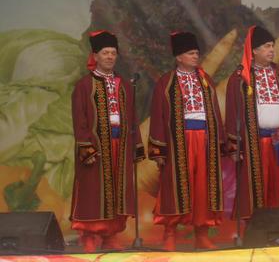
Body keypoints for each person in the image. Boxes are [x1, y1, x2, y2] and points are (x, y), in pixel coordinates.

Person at [148, 31, 226, 250]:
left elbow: (215, 112)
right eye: (191, 53)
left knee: (204, 186)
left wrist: (220, 141)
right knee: (174, 187)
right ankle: (170, 234)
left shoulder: (205, 80)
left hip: (204, 140)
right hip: (178, 142)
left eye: (197, 53)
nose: (195, 56)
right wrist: (158, 149)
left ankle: (201, 233)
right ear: (179, 57)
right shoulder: (166, 82)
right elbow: (158, 116)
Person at [70, 30, 145, 252]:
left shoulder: (125, 85)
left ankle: (110, 235)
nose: (110, 57)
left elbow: (133, 118)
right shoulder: (84, 85)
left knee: (118, 190)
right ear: (95, 56)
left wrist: (136, 146)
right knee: (93, 191)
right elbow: (79, 120)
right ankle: (89, 236)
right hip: (96, 146)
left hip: (120, 145)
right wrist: (86, 147)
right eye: (105, 53)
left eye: (113, 53)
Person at [225, 26, 279, 220]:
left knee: (278, 186)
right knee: (254, 186)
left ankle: (278, 227)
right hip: (253, 143)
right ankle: (253, 228)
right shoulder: (240, 79)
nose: (272, 50)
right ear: (254, 50)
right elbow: (232, 114)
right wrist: (234, 147)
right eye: (267, 46)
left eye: (272, 46)